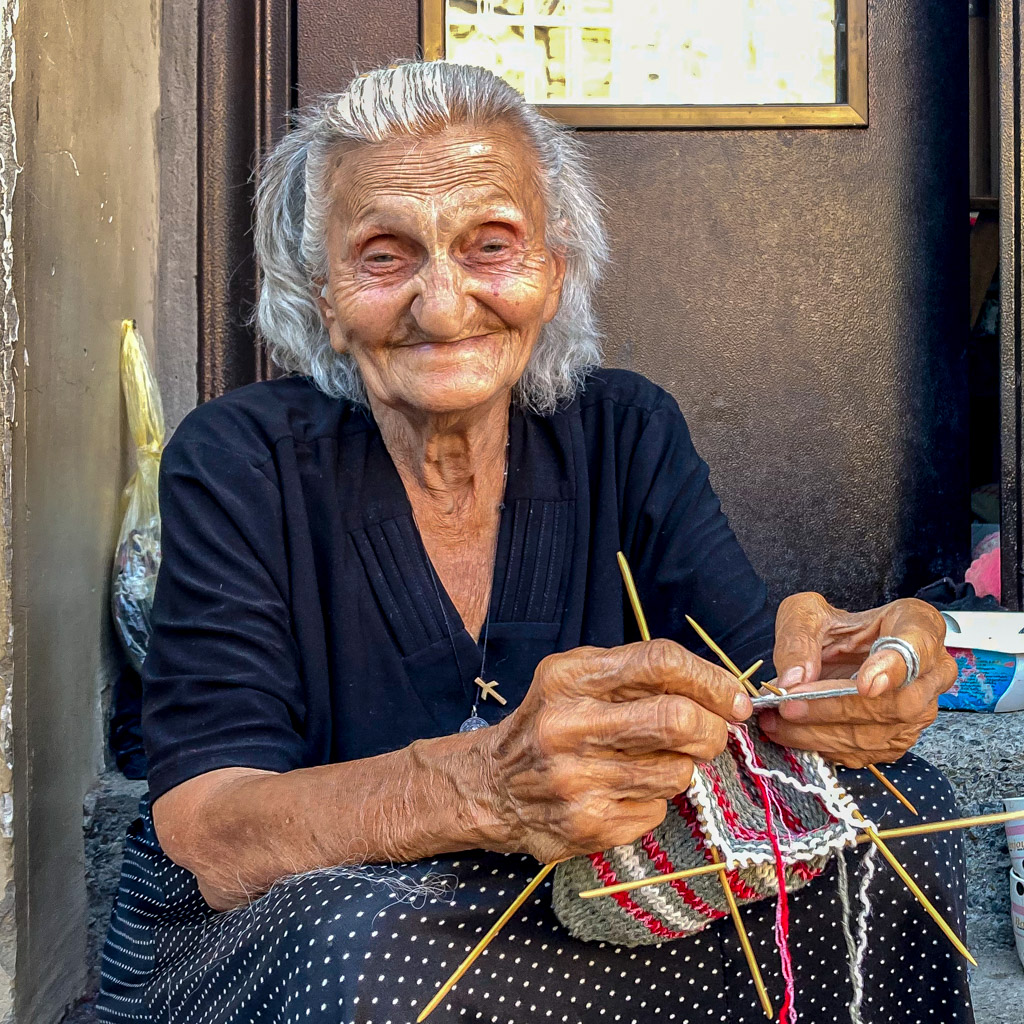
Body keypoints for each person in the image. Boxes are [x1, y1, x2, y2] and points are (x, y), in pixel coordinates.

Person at [98, 61, 969, 1024]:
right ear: (325, 297)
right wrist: (483, 785)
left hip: (585, 915)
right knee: (373, 957)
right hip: (329, 926)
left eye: (492, 246)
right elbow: (213, 832)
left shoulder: (622, 432)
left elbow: (763, 689)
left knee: (904, 824)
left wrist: (835, 678)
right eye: (384, 256)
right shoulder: (239, 459)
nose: (442, 304)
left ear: (555, 272)